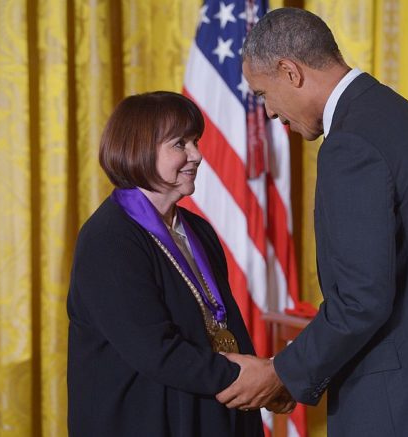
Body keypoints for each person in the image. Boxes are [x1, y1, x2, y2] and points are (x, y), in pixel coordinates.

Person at [216, 8, 408, 436]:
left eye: (263, 94)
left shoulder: (350, 143)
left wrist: (281, 372)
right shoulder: (402, 116)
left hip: (405, 404)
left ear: (290, 72)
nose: (270, 113)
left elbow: (361, 299)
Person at [67, 91, 268, 436]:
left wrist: (261, 386)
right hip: (143, 420)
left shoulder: (198, 230)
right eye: (180, 144)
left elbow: (226, 324)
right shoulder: (108, 239)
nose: (197, 155)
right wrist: (249, 380)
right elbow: (154, 351)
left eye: (195, 142)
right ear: (139, 149)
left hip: (205, 412)